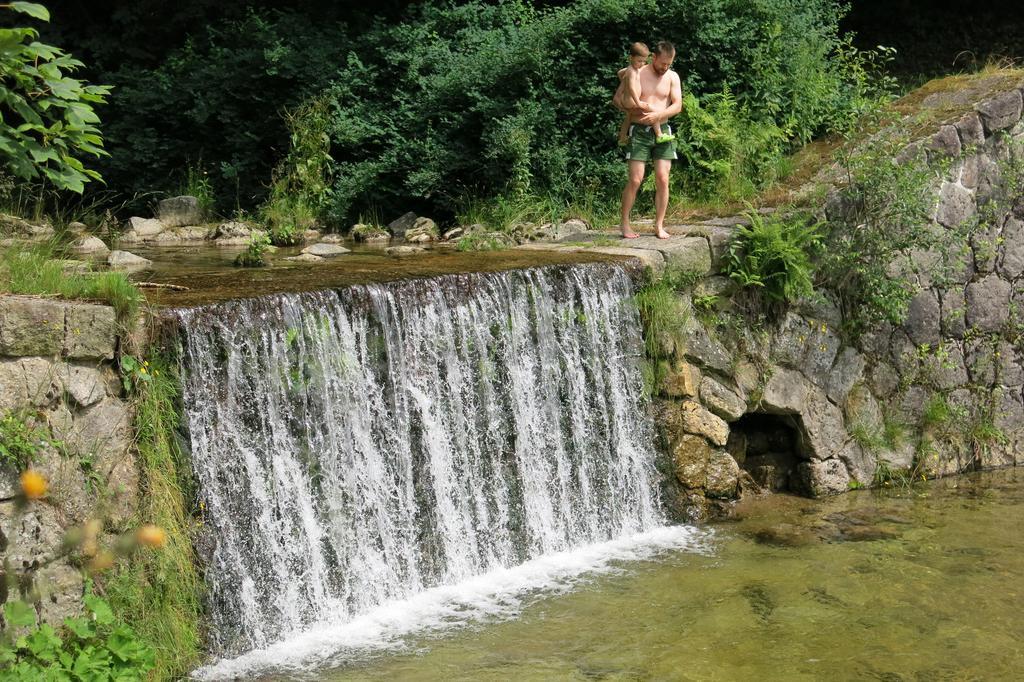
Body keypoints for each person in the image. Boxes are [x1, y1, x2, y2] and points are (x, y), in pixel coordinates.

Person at [619, 40, 683, 240]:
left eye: (669, 64)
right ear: (653, 57)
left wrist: (658, 115)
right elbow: (618, 100)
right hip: (638, 131)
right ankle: (625, 224)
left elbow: (678, 105)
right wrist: (634, 109)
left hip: (662, 129)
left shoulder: (672, 77)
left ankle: (659, 225)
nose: (665, 67)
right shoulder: (637, 72)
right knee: (636, 179)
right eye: (663, 63)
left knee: (663, 178)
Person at [612, 42, 674, 146]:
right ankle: (659, 134)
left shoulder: (631, 69)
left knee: (628, 117)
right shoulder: (631, 71)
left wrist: (624, 79)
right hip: (632, 100)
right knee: (652, 110)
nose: (642, 64)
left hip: (629, 101)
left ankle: (622, 138)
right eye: (639, 61)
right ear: (631, 58)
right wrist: (638, 102)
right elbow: (631, 88)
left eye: (644, 62)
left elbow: (619, 73)